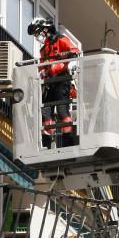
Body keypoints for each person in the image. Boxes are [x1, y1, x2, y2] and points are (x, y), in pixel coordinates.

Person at [27, 17, 79, 148]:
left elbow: (74, 52)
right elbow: (42, 65)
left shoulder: (60, 39)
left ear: (45, 30)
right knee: (46, 111)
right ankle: (46, 143)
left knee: (62, 110)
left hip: (62, 78)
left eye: (37, 34)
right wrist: (41, 71)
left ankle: (68, 142)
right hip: (50, 82)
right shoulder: (44, 49)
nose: (37, 37)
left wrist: (65, 60)